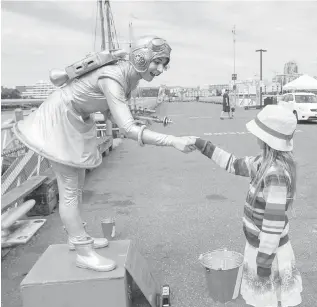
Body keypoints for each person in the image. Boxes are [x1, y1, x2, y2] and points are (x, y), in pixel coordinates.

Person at [13, 35, 196, 272]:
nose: (161, 69)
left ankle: (76, 236)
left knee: (76, 185)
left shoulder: (129, 78)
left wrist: (134, 124)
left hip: (75, 119)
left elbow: (113, 114)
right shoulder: (113, 78)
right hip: (59, 121)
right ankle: (83, 251)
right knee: (69, 189)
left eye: (164, 63)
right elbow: (128, 129)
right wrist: (173, 141)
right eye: (157, 62)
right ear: (141, 57)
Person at [192, 105, 302, 307]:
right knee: (269, 299)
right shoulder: (262, 163)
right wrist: (203, 145)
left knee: (275, 304)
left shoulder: (275, 173)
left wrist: (264, 260)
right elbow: (232, 163)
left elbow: (274, 224)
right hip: (261, 247)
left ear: (266, 138)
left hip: (271, 251)